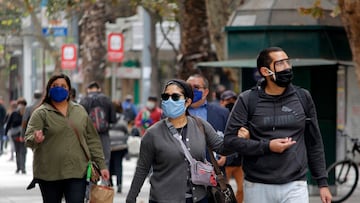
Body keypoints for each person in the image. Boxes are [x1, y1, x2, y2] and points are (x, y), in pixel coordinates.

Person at [224, 47, 332, 203]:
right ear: (265, 71)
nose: (287, 67)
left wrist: (322, 183)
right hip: (257, 185)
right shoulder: (247, 99)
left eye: (288, 62)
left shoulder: (303, 97)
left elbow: (314, 142)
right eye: (280, 64)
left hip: (295, 184)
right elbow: (229, 141)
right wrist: (267, 146)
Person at [126, 79, 231, 203]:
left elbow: (222, 147)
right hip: (163, 199)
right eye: (166, 96)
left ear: (187, 102)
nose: (169, 100)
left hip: (199, 198)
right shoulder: (153, 133)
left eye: (175, 97)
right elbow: (142, 169)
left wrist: (238, 136)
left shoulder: (200, 125)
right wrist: (131, 198)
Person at [25, 74, 109, 203]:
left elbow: (92, 140)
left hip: (76, 171)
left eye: (63, 86)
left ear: (69, 90)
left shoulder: (79, 111)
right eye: (55, 86)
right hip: (49, 173)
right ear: (48, 89)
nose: (59, 88)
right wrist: (35, 139)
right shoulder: (41, 113)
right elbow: (28, 138)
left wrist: (102, 165)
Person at [186, 74, 230, 176]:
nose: (192, 90)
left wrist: (226, 157)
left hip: (213, 174)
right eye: (188, 87)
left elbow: (232, 139)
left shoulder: (222, 113)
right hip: (182, 173)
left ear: (206, 92)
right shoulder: (175, 113)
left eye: (196, 87)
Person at [80, 81, 116, 169]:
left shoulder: (84, 101)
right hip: (104, 134)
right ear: (99, 89)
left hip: (89, 135)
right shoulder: (107, 100)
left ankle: (91, 180)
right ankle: (105, 179)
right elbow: (113, 119)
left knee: (89, 159)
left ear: (88, 90)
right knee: (105, 159)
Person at [220, 90, 244, 203]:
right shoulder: (220, 117)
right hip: (225, 162)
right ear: (221, 102)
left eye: (233, 100)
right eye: (227, 100)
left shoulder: (240, 116)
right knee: (224, 190)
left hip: (239, 162)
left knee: (242, 188)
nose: (231, 103)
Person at [5, 97, 27, 174]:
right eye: (20, 104)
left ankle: (22, 168)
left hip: (24, 135)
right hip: (16, 135)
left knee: (23, 151)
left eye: (23, 104)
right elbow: (8, 123)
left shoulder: (27, 113)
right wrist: (6, 133)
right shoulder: (14, 113)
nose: (21, 106)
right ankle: (19, 167)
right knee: (18, 151)